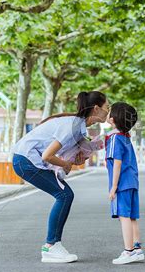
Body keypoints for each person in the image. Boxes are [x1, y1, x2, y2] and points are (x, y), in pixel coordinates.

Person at [12, 91, 109, 263]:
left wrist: (76, 159)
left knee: (65, 195)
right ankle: (51, 246)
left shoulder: (78, 128)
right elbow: (47, 156)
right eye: (106, 107)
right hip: (26, 160)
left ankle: (52, 245)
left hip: (26, 160)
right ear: (96, 109)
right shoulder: (71, 127)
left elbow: (66, 154)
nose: (108, 110)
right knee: (64, 195)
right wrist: (65, 165)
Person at [105, 102, 144, 265]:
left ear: (112, 119)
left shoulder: (114, 138)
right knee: (132, 216)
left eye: (109, 112)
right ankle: (136, 248)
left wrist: (114, 187)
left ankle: (128, 252)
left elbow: (117, 163)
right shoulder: (125, 137)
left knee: (124, 217)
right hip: (132, 182)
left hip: (122, 184)